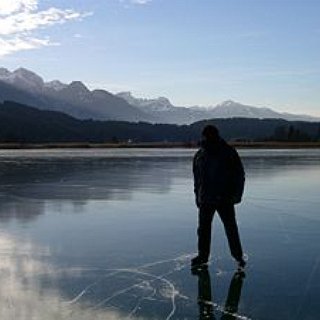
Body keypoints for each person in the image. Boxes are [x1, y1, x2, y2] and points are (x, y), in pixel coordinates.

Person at [192, 124, 246, 270]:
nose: (206, 138)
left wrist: (237, 195)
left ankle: (238, 256)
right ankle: (203, 256)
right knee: (203, 229)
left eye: (208, 135)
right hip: (206, 199)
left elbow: (239, 175)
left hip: (224, 199)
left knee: (230, 228)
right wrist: (197, 195)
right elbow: (197, 178)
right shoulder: (200, 154)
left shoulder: (228, 152)